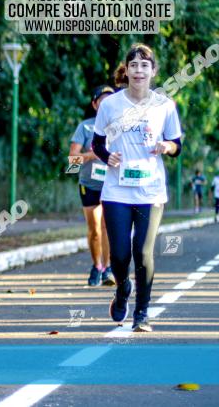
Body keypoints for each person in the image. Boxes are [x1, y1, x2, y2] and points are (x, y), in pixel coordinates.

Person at [92, 44, 183, 333]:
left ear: (153, 71)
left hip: (151, 191)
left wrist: (165, 146)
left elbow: (177, 145)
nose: (139, 70)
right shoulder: (110, 105)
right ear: (127, 70)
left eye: (145, 65)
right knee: (119, 255)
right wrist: (109, 156)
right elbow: (96, 144)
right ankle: (122, 288)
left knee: (143, 253)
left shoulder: (164, 106)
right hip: (116, 190)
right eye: (134, 65)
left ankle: (142, 314)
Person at [69, 85, 115, 286]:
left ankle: (108, 268)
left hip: (112, 185)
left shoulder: (120, 127)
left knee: (108, 227)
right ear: (95, 104)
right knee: (95, 229)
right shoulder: (85, 127)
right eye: (102, 101)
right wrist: (92, 154)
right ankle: (96, 265)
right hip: (89, 184)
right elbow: (72, 161)